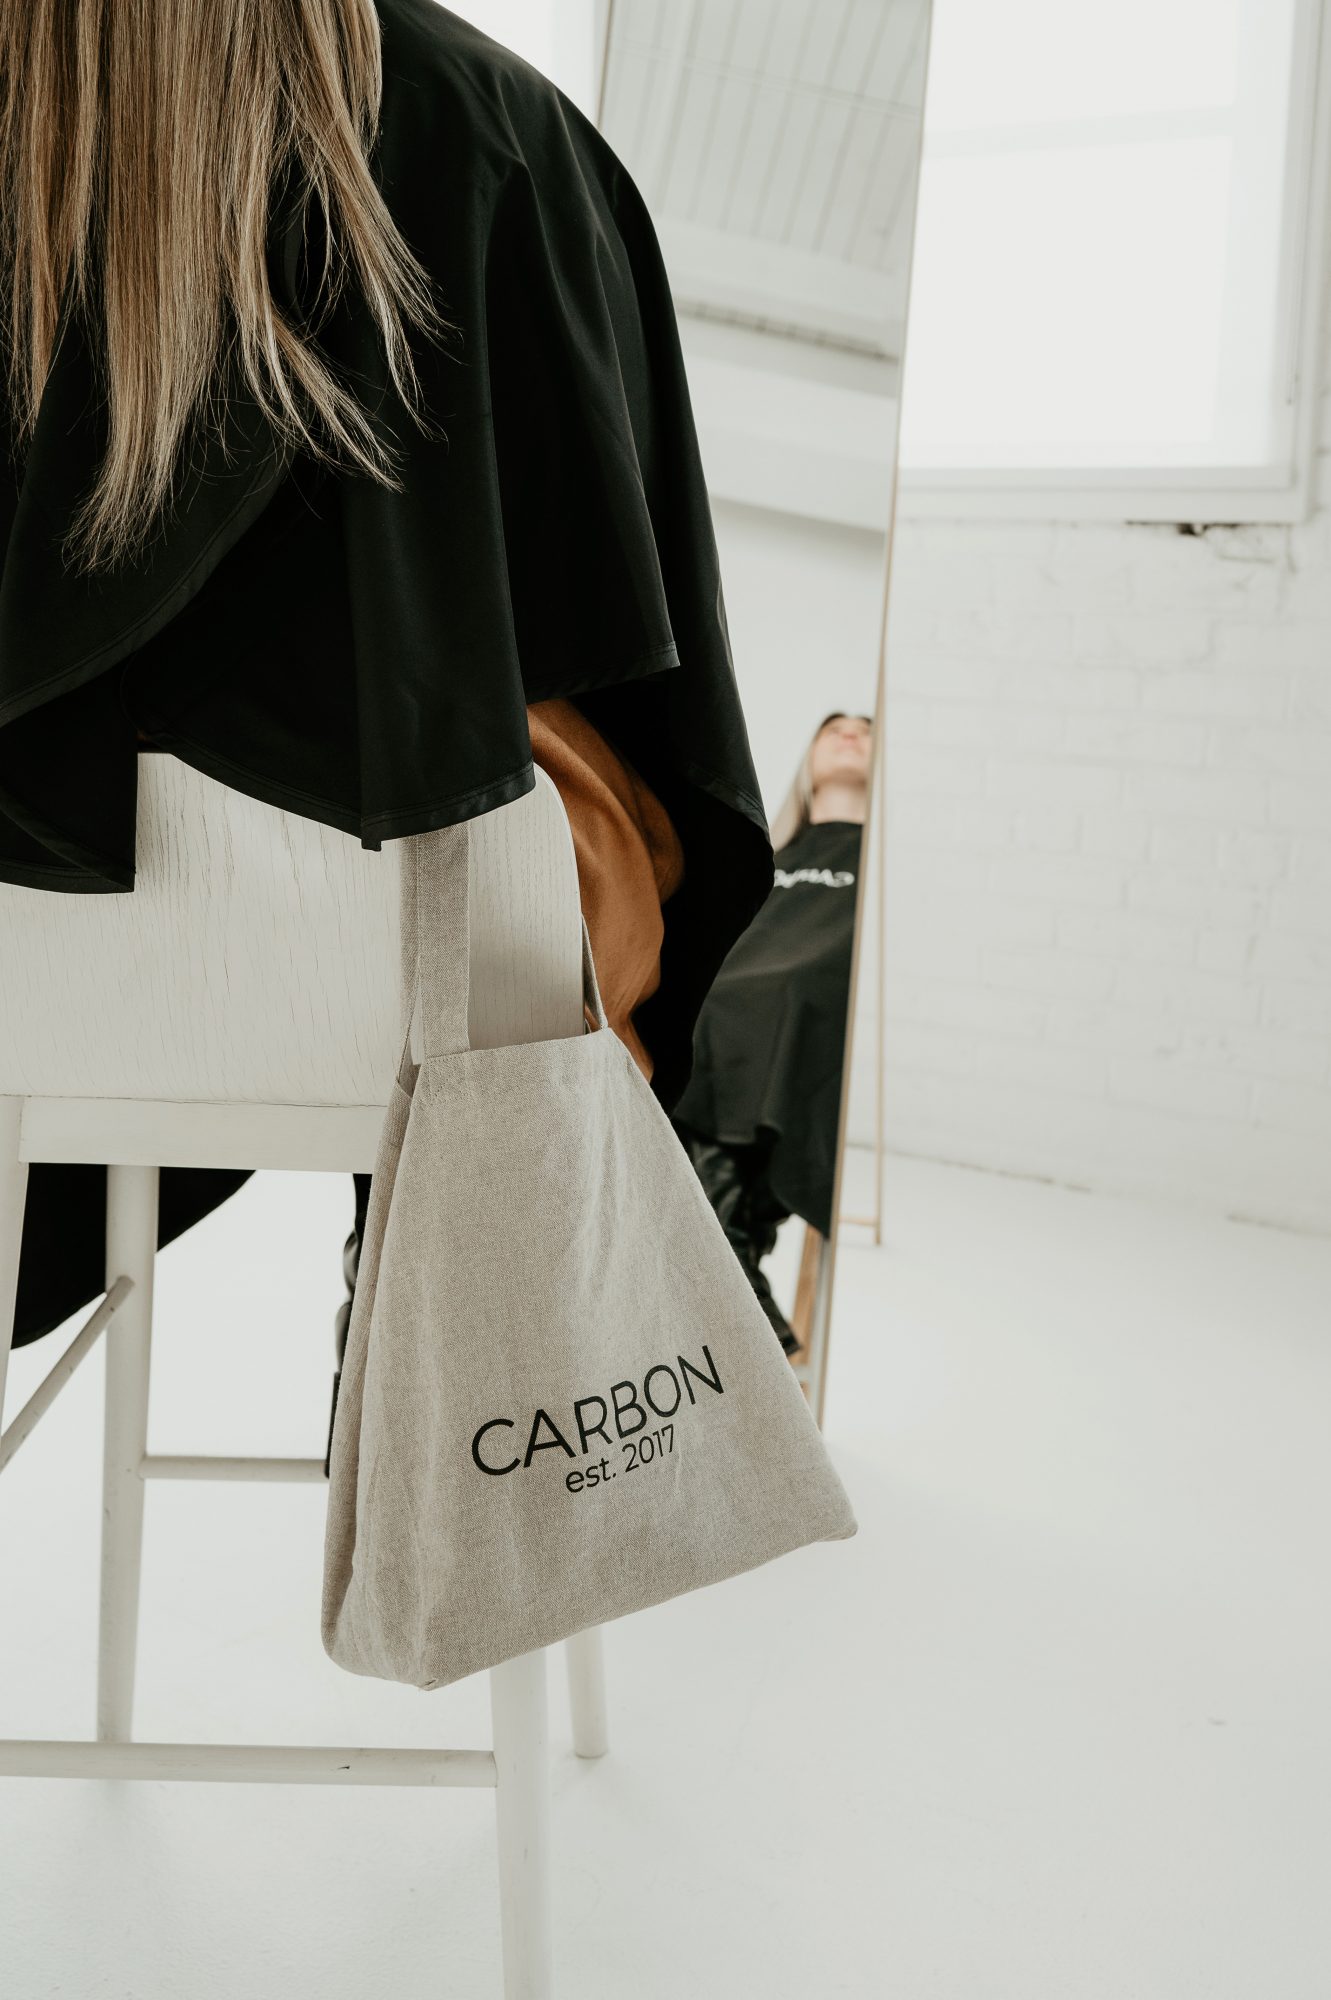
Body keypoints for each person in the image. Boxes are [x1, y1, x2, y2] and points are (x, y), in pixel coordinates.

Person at [0, 2, 773, 1357]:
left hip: (31, 968)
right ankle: (430, 1302)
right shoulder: (485, 114)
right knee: (535, 814)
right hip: (403, 984)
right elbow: (624, 646)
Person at [672, 712, 873, 1357]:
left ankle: (729, 1262)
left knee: (775, 997)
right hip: (726, 1028)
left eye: (866, 729)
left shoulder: (887, 873)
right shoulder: (762, 862)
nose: (849, 733)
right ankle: (732, 1264)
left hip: (797, 1035)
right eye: (833, 728)